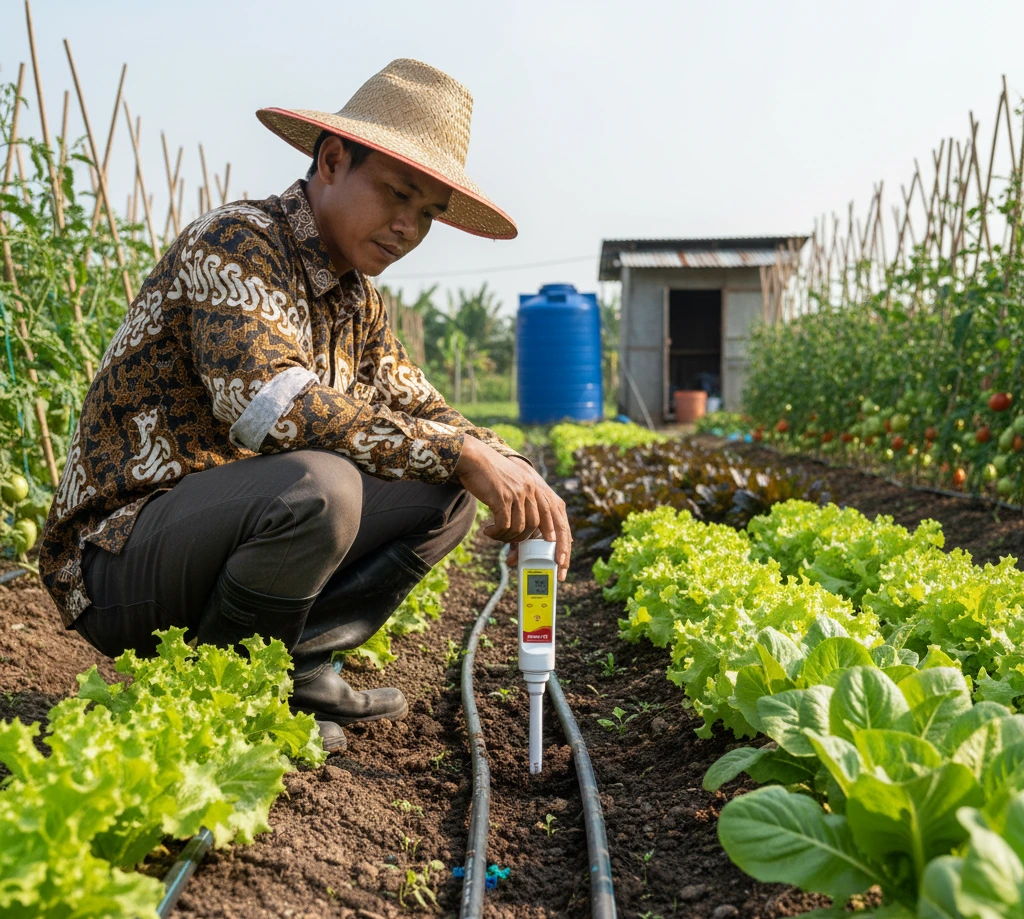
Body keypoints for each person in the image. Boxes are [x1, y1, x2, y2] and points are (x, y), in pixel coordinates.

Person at [39, 58, 572, 753]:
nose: (408, 225)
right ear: (331, 160)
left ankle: (298, 668)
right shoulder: (238, 243)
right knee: (321, 488)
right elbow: (267, 406)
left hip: (220, 534)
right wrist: (463, 452)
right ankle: (225, 698)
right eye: (396, 194)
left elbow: (428, 413)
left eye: (428, 213)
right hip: (118, 553)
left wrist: (511, 469)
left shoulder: (358, 299)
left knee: (448, 490)